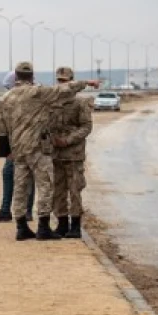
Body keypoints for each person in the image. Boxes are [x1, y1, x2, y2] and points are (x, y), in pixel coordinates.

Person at [0, 61, 98, 241]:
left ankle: (21, 226)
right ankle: (43, 226)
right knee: (46, 185)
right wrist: (87, 83)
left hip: (18, 149)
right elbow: (64, 90)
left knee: (20, 187)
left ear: (16, 76)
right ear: (32, 76)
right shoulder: (39, 93)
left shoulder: (5, 98)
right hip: (37, 148)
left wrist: (6, 151)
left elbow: (1, 129)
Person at [49, 66, 93, 238]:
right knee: (58, 190)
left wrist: (68, 140)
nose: (62, 85)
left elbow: (86, 127)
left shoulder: (80, 103)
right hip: (55, 154)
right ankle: (61, 223)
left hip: (73, 154)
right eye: (60, 81)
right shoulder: (51, 103)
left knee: (75, 190)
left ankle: (75, 225)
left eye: (65, 81)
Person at [0, 70, 35, 222]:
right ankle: (7, 210)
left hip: (29, 145)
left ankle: (25, 211)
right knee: (9, 174)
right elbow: (2, 128)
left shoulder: (35, 97)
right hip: (14, 146)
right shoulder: (9, 100)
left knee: (28, 178)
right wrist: (6, 151)